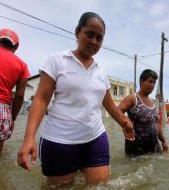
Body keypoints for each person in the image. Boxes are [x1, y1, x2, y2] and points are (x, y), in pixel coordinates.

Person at [17, 12, 134, 186]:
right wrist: (29, 138)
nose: (94, 41)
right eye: (89, 34)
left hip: (96, 138)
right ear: (77, 32)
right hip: (60, 140)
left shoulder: (101, 71)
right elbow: (41, 100)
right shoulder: (57, 61)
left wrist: (124, 123)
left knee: (100, 186)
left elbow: (109, 105)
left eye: (99, 38)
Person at [0, 28, 30, 153]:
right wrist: (12, 119)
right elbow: (19, 96)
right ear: (16, 46)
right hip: (0, 110)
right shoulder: (22, 65)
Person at [118, 69, 168, 156]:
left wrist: (163, 141)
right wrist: (125, 122)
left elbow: (157, 125)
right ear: (141, 81)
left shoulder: (153, 103)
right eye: (150, 81)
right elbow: (117, 111)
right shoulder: (133, 98)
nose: (152, 85)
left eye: (154, 83)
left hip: (154, 147)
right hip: (136, 148)